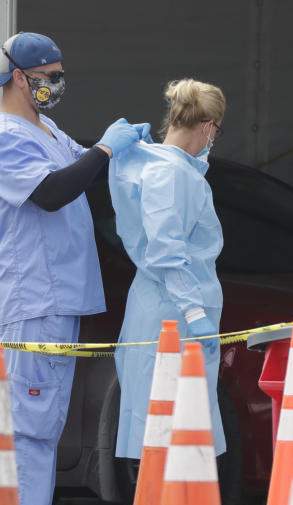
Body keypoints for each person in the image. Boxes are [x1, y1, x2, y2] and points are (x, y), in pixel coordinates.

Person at [0, 32, 147, 505]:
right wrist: (103, 147)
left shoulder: (43, 127)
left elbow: (85, 172)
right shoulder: (4, 138)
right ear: (19, 77)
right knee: (31, 420)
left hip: (57, 295)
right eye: (48, 77)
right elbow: (52, 192)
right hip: (33, 294)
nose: (56, 85)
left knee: (45, 418)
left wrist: (135, 152)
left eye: (59, 75)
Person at [110, 78, 227, 466]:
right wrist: (195, 313)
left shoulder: (152, 166)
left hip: (163, 309)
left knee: (168, 429)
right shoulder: (172, 174)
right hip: (174, 315)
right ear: (209, 126)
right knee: (171, 432)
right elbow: (166, 252)